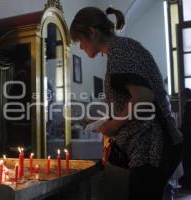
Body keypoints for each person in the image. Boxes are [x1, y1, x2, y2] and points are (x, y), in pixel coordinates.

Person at [70, 7, 183, 200]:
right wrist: (104, 121)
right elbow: (131, 101)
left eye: (80, 41)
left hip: (150, 147)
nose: (80, 47)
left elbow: (143, 97)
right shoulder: (123, 48)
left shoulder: (120, 52)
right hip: (149, 146)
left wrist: (113, 125)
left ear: (92, 32)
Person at [179, 88, 191, 189]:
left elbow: (186, 125)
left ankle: (188, 182)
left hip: (188, 138)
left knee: (187, 160)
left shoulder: (188, 106)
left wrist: (179, 131)